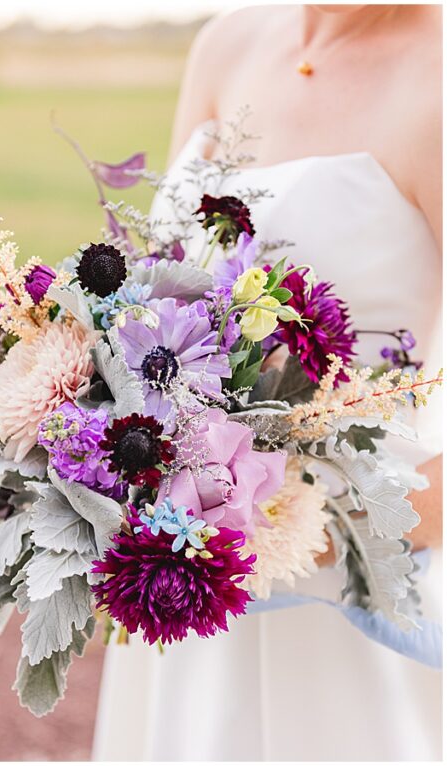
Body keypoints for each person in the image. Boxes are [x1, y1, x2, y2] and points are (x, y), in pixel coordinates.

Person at [92, 5, 442, 760]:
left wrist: (338, 523)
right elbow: (157, 284)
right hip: (185, 567)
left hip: (341, 566)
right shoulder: (225, 42)